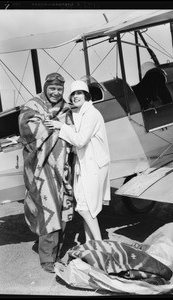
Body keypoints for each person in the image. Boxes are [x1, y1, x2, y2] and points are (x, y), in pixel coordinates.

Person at [18, 72, 74, 273]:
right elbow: (26, 127)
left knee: (61, 210)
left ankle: (55, 253)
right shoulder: (33, 106)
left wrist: (59, 127)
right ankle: (47, 259)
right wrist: (54, 127)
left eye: (59, 89)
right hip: (41, 169)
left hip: (62, 169)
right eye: (52, 89)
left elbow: (72, 132)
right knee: (48, 212)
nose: (56, 93)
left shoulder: (66, 108)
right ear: (45, 88)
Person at [44, 80, 111, 242]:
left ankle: (98, 241)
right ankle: (90, 244)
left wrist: (61, 127)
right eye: (73, 94)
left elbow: (80, 140)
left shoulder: (91, 114)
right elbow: (77, 131)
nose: (75, 97)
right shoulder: (82, 113)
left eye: (79, 93)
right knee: (86, 206)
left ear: (86, 95)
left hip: (94, 165)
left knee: (84, 208)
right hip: (85, 165)